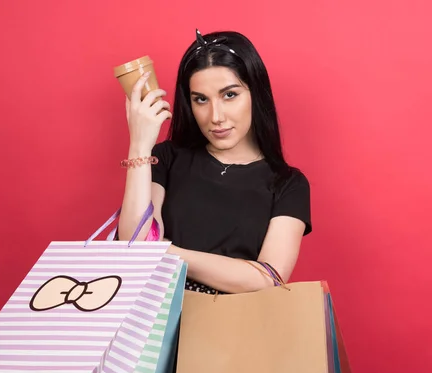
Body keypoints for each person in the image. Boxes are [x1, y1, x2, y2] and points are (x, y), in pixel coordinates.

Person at [117, 29, 312, 295]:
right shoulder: (166, 158)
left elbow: (269, 279)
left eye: (230, 95)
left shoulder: (288, 183)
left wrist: (166, 251)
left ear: (256, 93)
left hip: (233, 329)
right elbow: (134, 242)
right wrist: (139, 144)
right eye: (201, 99)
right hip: (157, 325)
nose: (215, 116)